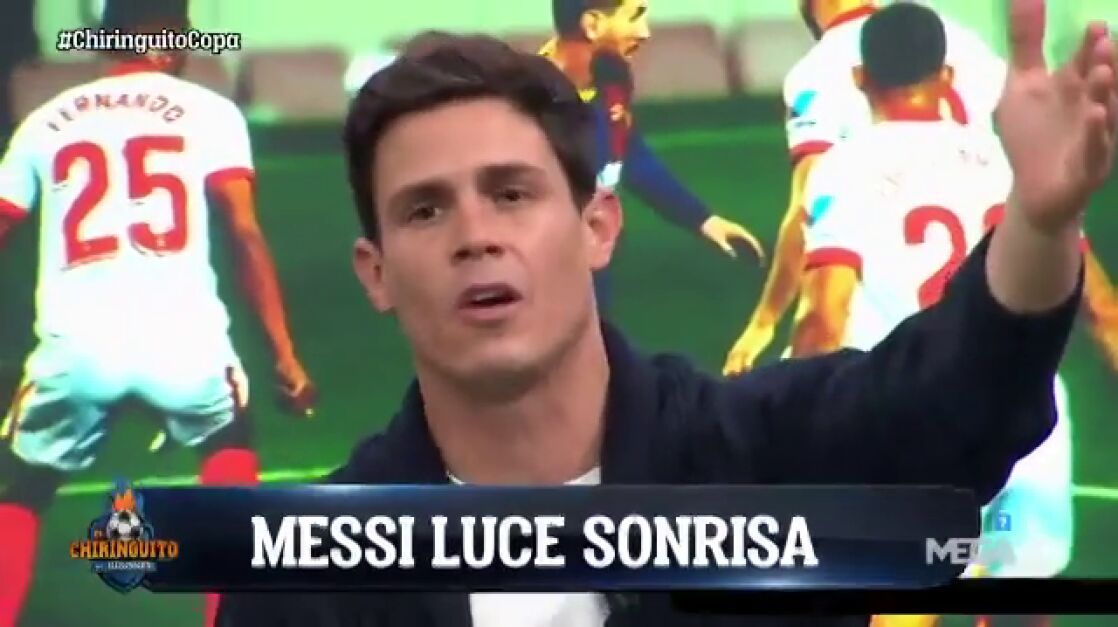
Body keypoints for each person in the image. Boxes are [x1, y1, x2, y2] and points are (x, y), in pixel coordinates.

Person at [217, 0, 1117, 622]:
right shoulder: (303, 580)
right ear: (375, 272)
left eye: (512, 193)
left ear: (598, 226)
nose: (475, 235)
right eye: (425, 209)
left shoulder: (765, 459)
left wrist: (1038, 227)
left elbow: (956, 401)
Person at [0, 2, 316, 627]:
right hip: (184, 341)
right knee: (230, 454)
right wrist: (284, 354)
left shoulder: (45, 121)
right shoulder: (210, 112)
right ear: (167, 45)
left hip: (75, 346)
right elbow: (244, 233)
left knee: (24, 490)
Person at [782, 5, 1077, 627]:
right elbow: (1094, 296)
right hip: (1026, 416)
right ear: (946, 75)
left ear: (861, 80)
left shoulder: (844, 167)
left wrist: (798, 418)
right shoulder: (1004, 160)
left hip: (914, 416)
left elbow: (826, 316)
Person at [722, 0, 1005, 374]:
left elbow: (807, 216)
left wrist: (764, 321)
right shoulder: (965, 44)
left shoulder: (821, 71)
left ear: (861, 78)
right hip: (988, 338)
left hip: (890, 344)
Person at [541, 0, 764, 304]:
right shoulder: (527, 100)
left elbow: (629, 154)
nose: (645, 32)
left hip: (594, 273)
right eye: (634, 16)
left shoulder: (613, 78)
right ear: (592, 25)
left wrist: (702, 219)